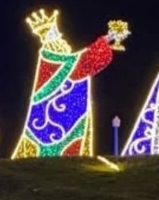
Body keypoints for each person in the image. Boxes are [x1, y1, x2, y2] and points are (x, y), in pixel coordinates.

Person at [12, 10, 130, 158]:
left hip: (58, 116)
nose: (64, 41)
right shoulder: (55, 60)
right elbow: (85, 62)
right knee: (62, 147)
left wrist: (108, 43)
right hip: (58, 118)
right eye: (60, 38)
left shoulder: (57, 60)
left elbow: (85, 61)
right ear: (53, 41)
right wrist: (108, 38)